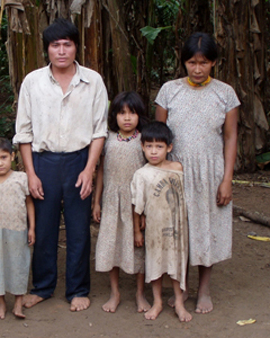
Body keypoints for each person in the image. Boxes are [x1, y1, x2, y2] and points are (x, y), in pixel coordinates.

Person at [13, 18, 108, 312]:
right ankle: (42, 286)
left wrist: (89, 169)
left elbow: (99, 130)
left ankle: (78, 289)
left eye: (68, 44)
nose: (62, 51)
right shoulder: (33, 82)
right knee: (44, 228)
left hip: (80, 159)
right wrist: (31, 173)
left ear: (76, 47)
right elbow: (24, 132)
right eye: (56, 45)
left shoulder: (93, 81)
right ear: (48, 50)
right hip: (44, 162)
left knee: (79, 229)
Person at [155, 32, 240, 314]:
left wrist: (226, 179)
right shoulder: (170, 90)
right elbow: (159, 136)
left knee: (206, 228)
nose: (198, 68)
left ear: (213, 63)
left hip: (210, 172)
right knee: (178, 230)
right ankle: (182, 286)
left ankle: (204, 288)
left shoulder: (225, 93)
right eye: (192, 62)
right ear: (184, 63)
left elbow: (230, 138)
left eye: (204, 62)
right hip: (176, 171)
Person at [92, 91, 149, 313]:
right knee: (112, 243)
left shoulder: (145, 140)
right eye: (122, 113)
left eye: (132, 113)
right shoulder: (107, 139)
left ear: (139, 116)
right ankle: (114, 293)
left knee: (138, 248)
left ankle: (140, 293)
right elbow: (101, 172)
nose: (127, 118)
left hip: (136, 202)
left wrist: (144, 210)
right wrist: (96, 202)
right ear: (114, 115)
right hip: (111, 200)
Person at [131, 121, 191, 322]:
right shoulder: (142, 174)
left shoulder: (178, 168)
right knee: (155, 264)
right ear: (142, 147)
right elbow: (136, 205)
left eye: (159, 147)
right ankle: (157, 302)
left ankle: (179, 303)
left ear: (169, 147)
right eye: (149, 146)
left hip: (177, 229)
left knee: (176, 263)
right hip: (155, 231)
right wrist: (138, 231)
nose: (153, 152)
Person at [0, 137, 35, 320]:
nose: (0, 163)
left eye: (4, 157)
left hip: (18, 230)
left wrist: (32, 228)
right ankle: (1, 303)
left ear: (13, 156)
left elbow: (29, 203)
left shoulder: (21, 178)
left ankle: (18, 303)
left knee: (19, 266)